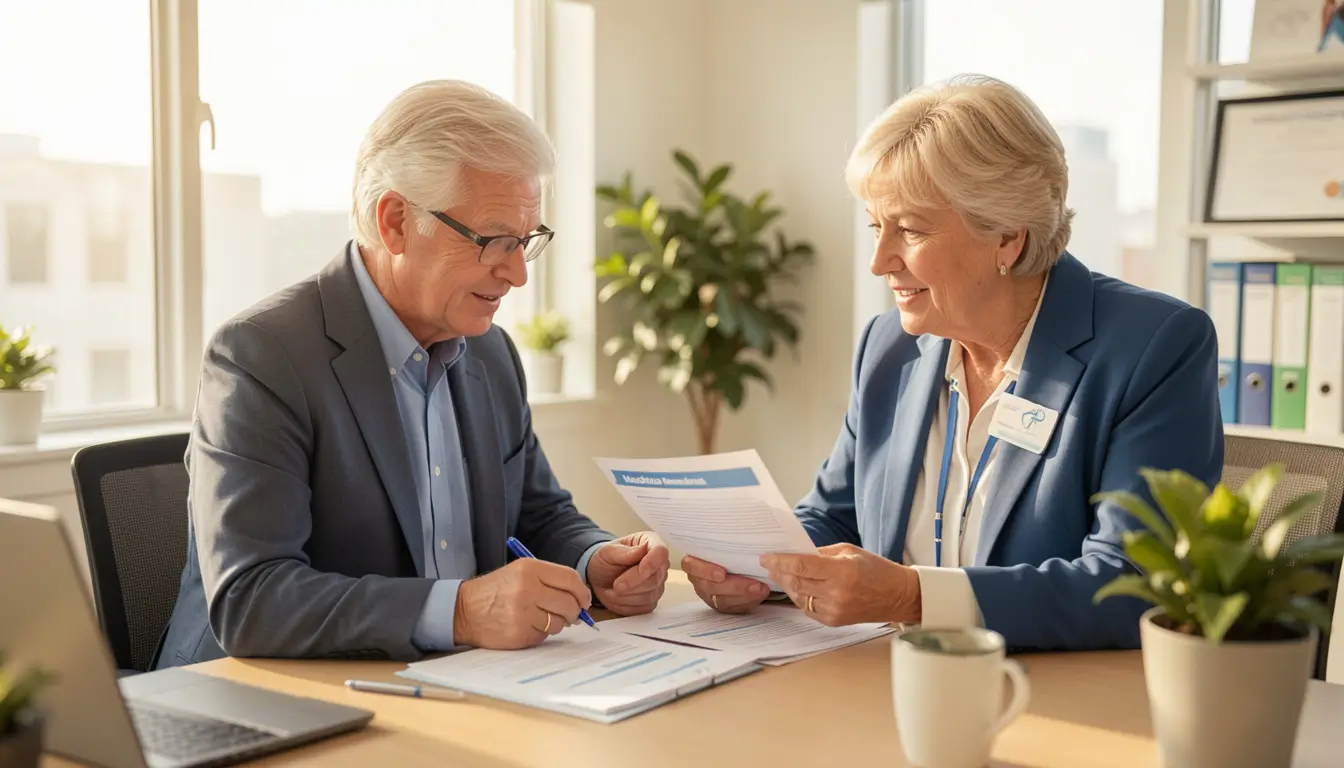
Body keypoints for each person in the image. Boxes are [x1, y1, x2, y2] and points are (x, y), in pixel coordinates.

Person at [682, 74, 1223, 651]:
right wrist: (762, 571)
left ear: (1008, 237)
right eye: (875, 226)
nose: (880, 261)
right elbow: (835, 518)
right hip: (889, 684)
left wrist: (913, 597)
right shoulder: (887, 348)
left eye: (910, 229)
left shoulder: (1156, 346)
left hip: (1054, 704)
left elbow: (1133, 583)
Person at [158, 80, 670, 667]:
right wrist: (460, 611)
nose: (516, 275)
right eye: (494, 241)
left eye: (524, 242)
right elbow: (252, 599)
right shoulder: (260, 355)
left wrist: (595, 560)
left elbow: (538, 514)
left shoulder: (491, 354)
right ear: (396, 221)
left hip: (449, 683)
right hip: (256, 702)